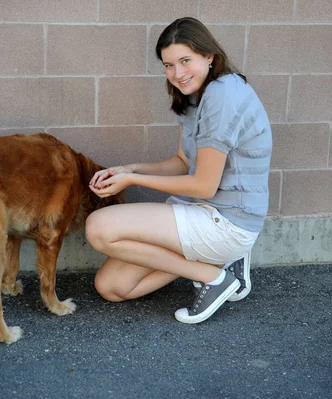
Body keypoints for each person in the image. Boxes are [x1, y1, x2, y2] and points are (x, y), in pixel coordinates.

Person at [85, 17, 272, 324]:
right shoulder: (196, 96)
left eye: (185, 61)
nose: (177, 74)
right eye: (169, 65)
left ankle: (213, 276)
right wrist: (129, 168)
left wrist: (131, 180)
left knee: (98, 227)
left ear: (209, 56)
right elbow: (183, 163)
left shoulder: (223, 96)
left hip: (225, 220)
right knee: (112, 287)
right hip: (199, 211)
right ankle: (219, 264)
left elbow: (204, 186)